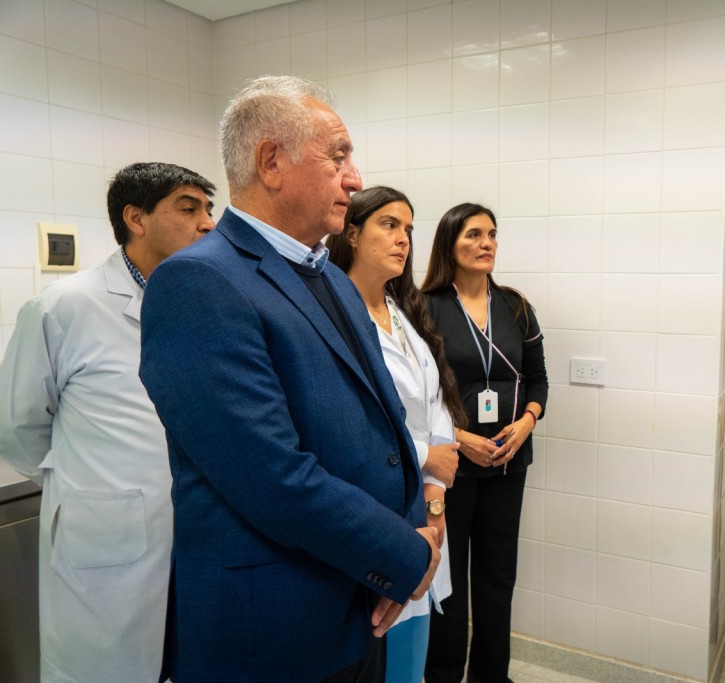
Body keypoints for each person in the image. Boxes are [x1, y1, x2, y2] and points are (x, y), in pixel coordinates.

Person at [138, 76, 440, 683]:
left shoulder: (328, 276)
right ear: (271, 162)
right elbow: (274, 475)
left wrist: (417, 527)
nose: (354, 179)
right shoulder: (200, 283)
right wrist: (408, 554)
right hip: (273, 625)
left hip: (360, 599)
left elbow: (382, 427)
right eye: (338, 156)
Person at [0, 161, 216, 682]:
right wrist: (90, 488)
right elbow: (17, 426)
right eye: (189, 209)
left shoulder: (207, 304)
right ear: (136, 218)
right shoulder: (63, 308)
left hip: (195, 539)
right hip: (104, 546)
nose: (208, 223)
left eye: (210, 209)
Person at [326, 186, 467, 683]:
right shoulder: (331, 315)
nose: (403, 239)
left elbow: (435, 405)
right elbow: (344, 421)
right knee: (378, 645)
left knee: (411, 655)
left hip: (424, 507)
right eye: (389, 225)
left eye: (408, 228)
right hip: (376, 502)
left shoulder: (402, 309)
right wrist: (427, 456)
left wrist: (434, 497)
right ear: (351, 233)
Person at [422, 203, 549, 683]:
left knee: (498, 578)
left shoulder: (515, 306)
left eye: (492, 234)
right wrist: (460, 438)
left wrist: (527, 422)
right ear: (450, 245)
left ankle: (493, 676)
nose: (486, 242)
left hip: (507, 463)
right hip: (451, 463)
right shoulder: (424, 307)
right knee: (447, 582)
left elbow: (538, 380)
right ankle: (444, 676)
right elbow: (415, 394)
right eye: (474, 234)